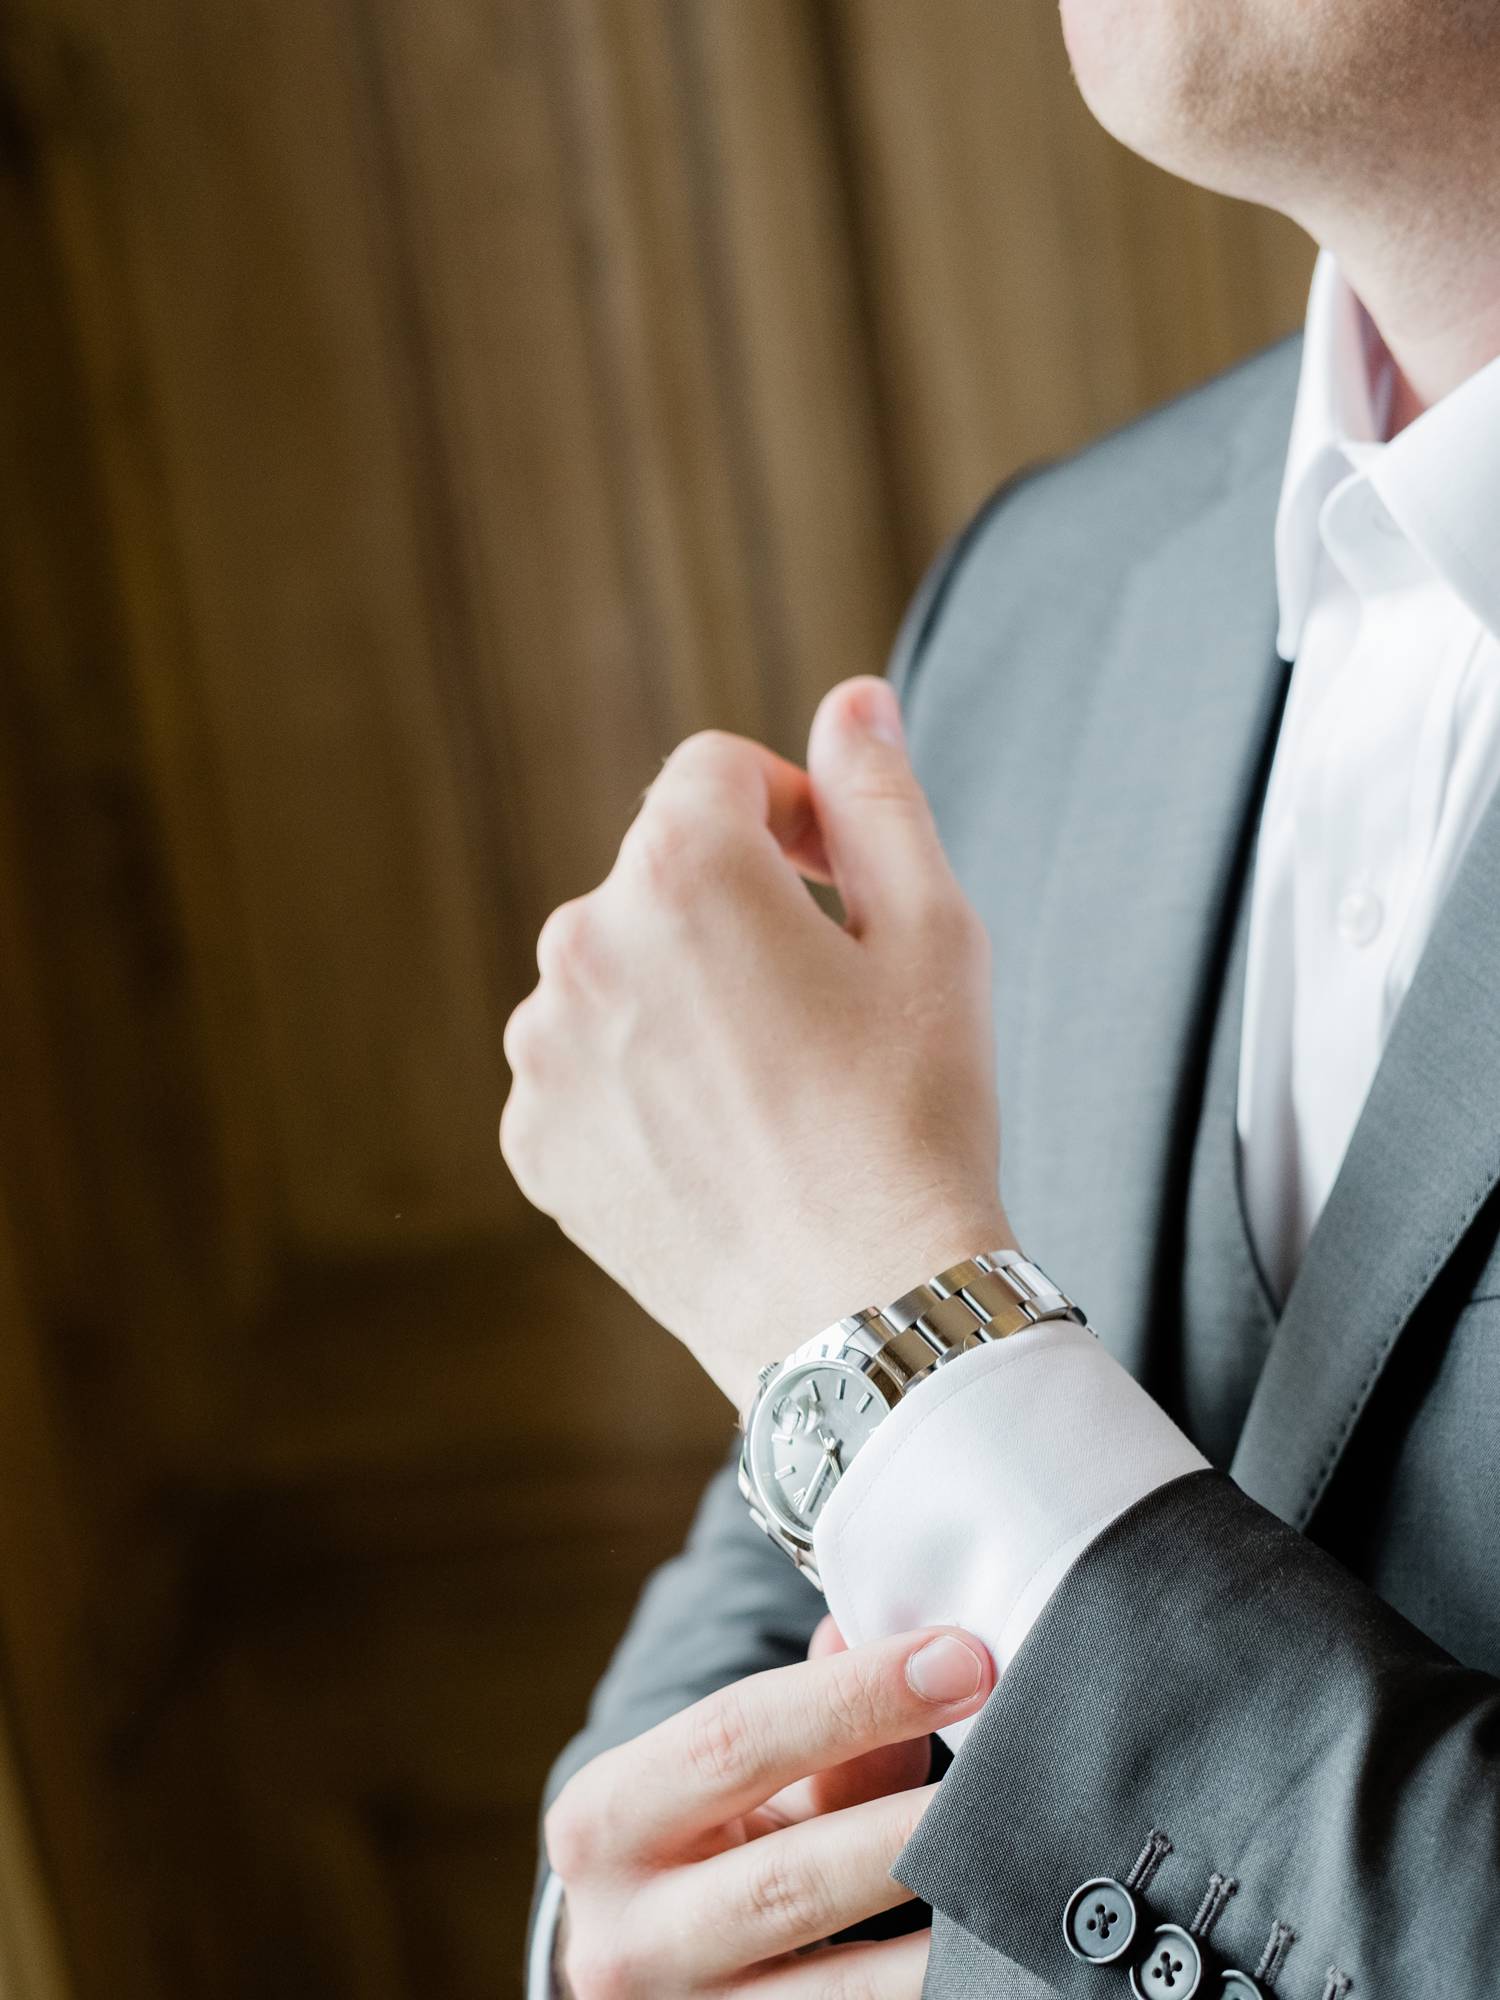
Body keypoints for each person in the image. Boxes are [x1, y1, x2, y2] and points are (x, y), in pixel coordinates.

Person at [504, 0, 1500, 1992]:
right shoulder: (1045, 600)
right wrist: (625, 1937)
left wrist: (907, 1346)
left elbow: (882, 1371)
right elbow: (768, 1603)